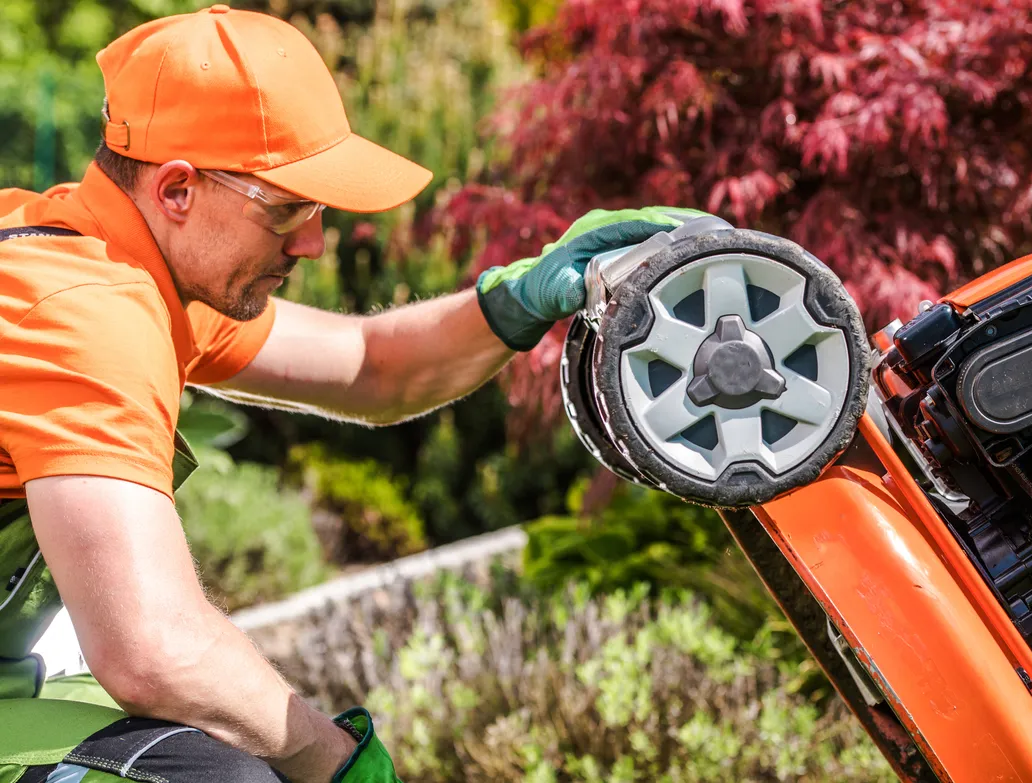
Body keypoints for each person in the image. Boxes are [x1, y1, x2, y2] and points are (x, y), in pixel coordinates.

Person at [0, 5, 709, 783]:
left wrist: (516, 300)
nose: (313, 242)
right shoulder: (83, 313)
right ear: (176, 190)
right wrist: (339, 762)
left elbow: (369, 366)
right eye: (287, 209)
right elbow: (153, 646)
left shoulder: (108, 260)